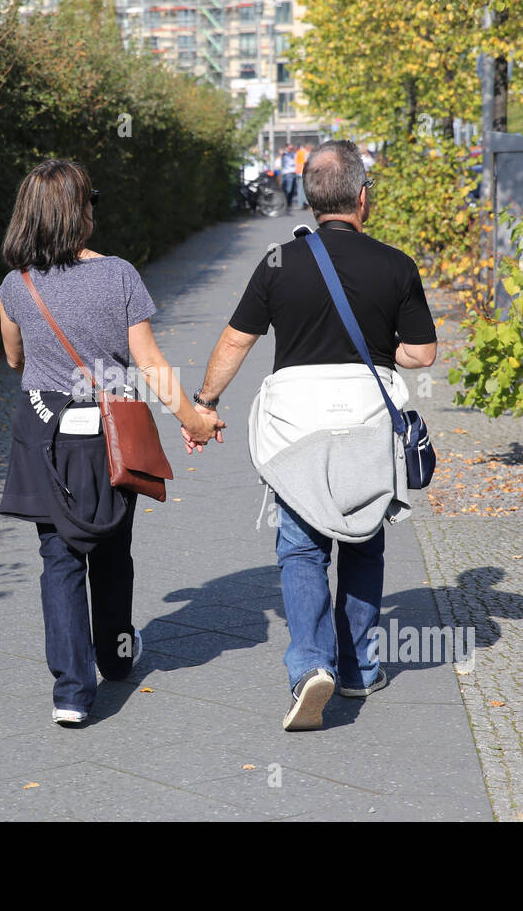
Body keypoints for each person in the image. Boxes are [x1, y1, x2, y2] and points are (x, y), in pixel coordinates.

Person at [185, 140, 438, 731]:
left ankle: (309, 667)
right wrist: (381, 351)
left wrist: (204, 405)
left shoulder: (277, 261)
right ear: (363, 197)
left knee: (300, 546)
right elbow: (422, 354)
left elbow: (234, 343)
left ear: (309, 197)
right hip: (367, 425)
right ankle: (357, 668)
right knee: (364, 540)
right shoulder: (395, 264)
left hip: (296, 427)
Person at [0, 159, 224, 727]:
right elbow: (147, 362)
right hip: (109, 430)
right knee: (113, 547)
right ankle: (115, 656)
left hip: (45, 430)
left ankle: (72, 693)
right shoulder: (118, 275)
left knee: (59, 556)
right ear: (81, 211)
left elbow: (13, 357)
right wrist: (192, 418)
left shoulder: (13, 284)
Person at [280, 145, 299, 212]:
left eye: (292, 148)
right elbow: (291, 163)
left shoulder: (293, 154)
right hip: (287, 174)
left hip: (293, 173)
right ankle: (285, 203)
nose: (291, 149)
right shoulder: (285, 155)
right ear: (286, 148)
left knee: (292, 190)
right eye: (290, 148)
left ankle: (289, 203)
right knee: (288, 190)